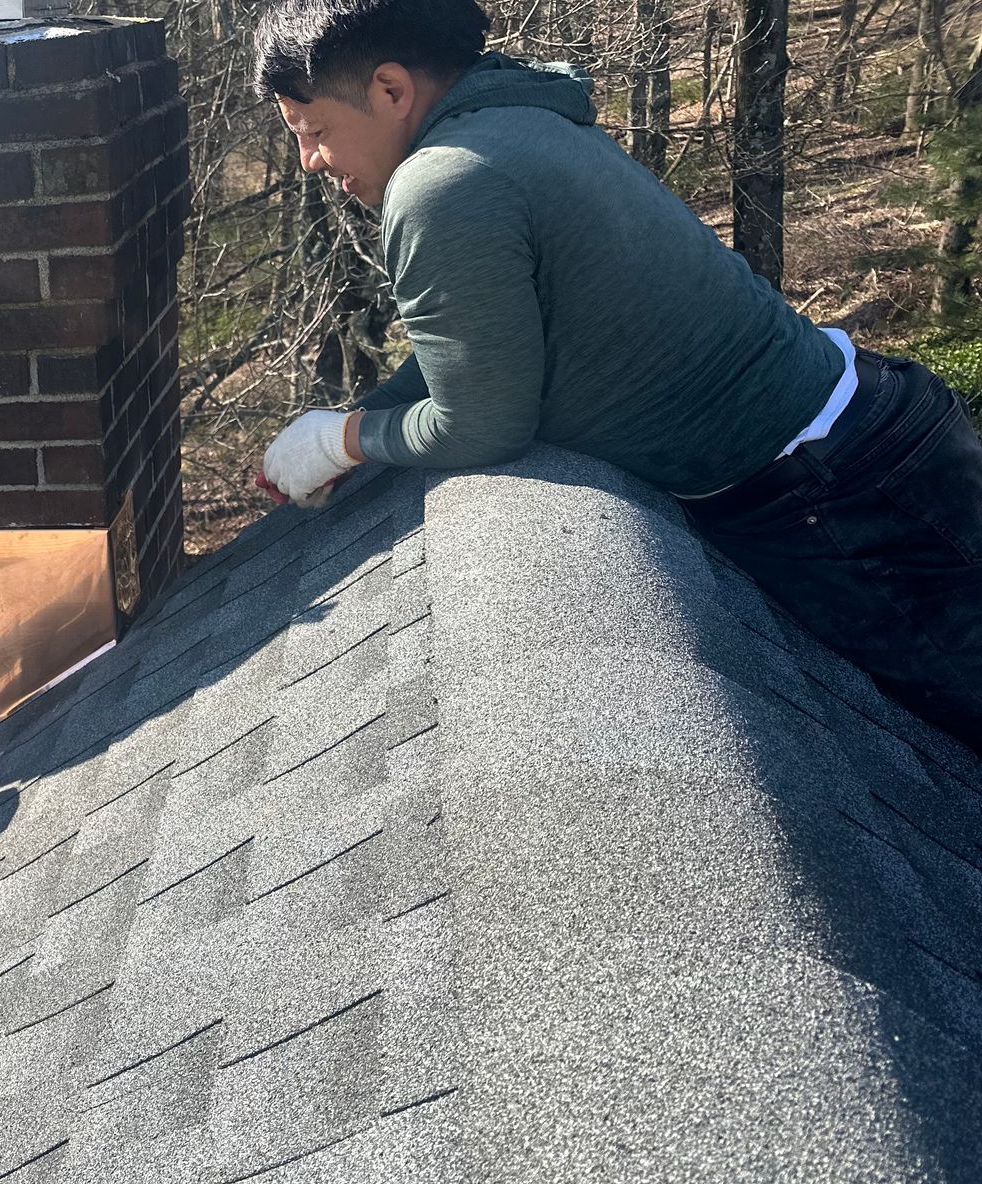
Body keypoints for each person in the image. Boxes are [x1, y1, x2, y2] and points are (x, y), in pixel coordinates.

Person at [253, 0, 982, 754]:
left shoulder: (443, 185)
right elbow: (476, 343)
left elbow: (481, 422)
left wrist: (344, 440)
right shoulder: (517, 116)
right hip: (871, 440)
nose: (311, 161)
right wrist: (358, 420)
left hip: (845, 501)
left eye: (314, 132)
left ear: (390, 91)